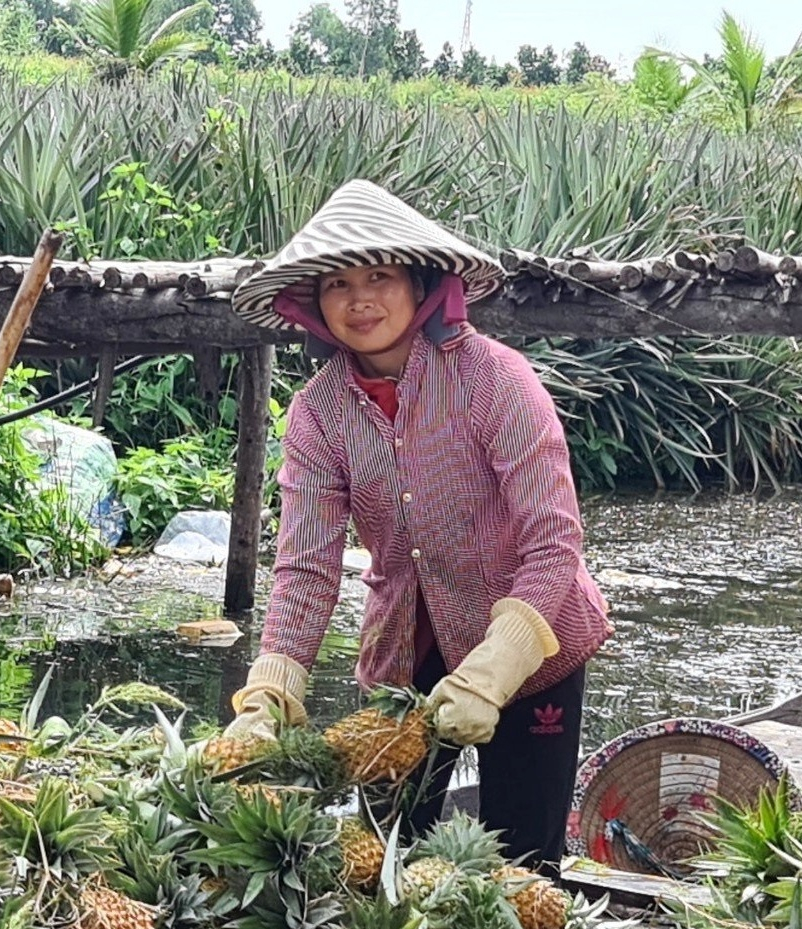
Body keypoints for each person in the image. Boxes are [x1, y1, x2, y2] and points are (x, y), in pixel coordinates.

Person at [220, 179, 611, 869]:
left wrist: (492, 674)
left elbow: (553, 545)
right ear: (313, 303)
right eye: (337, 283)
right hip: (402, 653)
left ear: (422, 284)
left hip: (531, 650)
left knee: (521, 867)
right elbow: (305, 568)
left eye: (379, 276)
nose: (358, 299)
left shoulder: (496, 379)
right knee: (385, 858)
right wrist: (271, 690)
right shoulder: (318, 413)